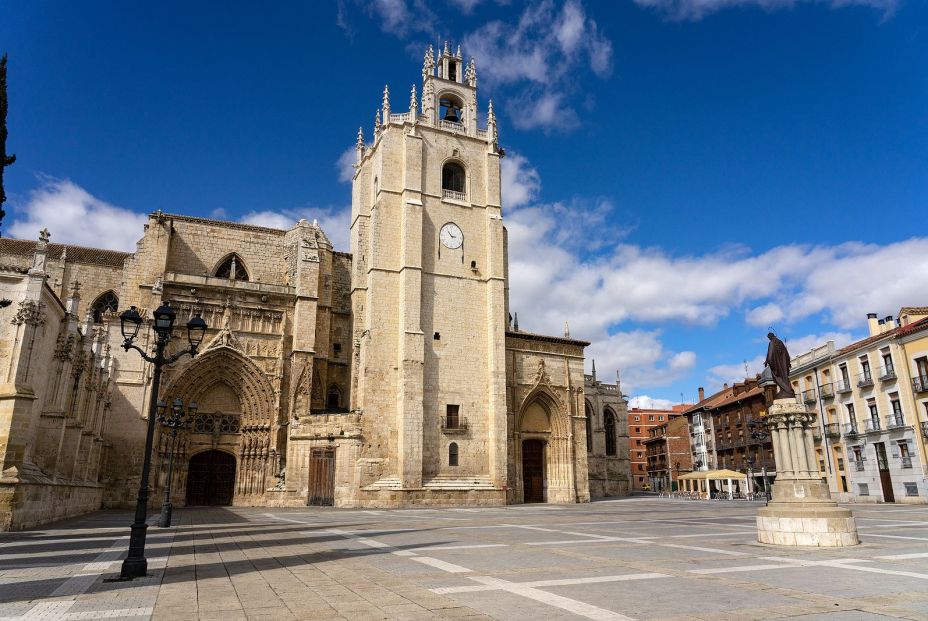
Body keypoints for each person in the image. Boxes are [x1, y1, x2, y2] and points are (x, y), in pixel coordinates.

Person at [764, 332, 794, 399]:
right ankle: (788, 391)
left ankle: (785, 391)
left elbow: (770, 353)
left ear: (770, 337)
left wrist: (768, 361)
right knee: (785, 378)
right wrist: (788, 362)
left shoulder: (772, 342)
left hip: (777, 365)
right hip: (784, 364)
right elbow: (786, 352)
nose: (769, 339)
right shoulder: (780, 342)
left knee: (778, 378)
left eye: (769, 338)